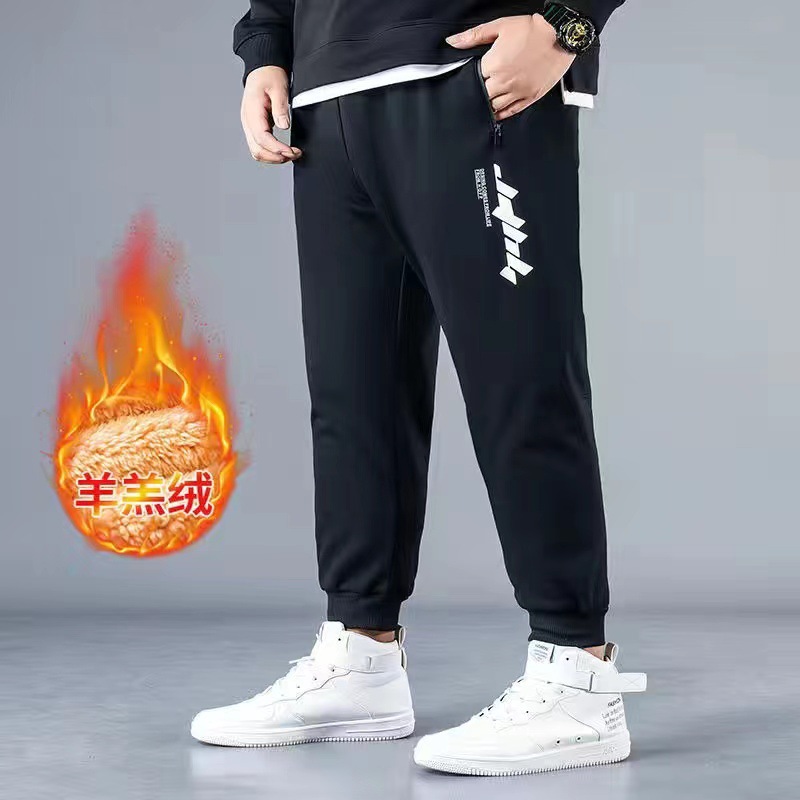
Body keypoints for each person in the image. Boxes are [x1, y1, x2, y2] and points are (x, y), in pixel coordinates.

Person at [191, 0, 647, 776]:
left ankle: (578, 673)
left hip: (469, 76)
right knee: (353, 393)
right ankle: (361, 658)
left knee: (519, 375)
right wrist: (267, 45)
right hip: (327, 92)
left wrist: (568, 23)